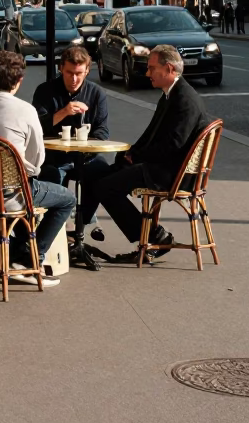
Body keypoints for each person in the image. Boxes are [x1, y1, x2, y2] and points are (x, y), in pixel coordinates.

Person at [0, 51, 73, 285]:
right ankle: (29, 258)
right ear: (18, 81)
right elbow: (37, 162)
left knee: (11, 189)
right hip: (12, 195)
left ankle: (5, 256)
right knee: (67, 199)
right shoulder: (25, 110)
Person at [90, 45, 213, 263]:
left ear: (168, 68)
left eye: (151, 68)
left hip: (173, 173)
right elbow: (151, 135)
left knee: (104, 187)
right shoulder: (172, 94)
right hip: (165, 166)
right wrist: (131, 153)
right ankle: (151, 236)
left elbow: (173, 144)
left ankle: (154, 237)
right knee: (98, 177)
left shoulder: (184, 100)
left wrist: (137, 157)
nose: (147, 73)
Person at [32, 46, 112, 240]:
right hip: (54, 157)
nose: (74, 79)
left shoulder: (96, 93)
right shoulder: (46, 91)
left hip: (85, 156)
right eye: (69, 73)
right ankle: (52, 230)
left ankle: (82, 223)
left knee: (102, 174)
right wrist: (64, 112)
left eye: (79, 74)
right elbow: (37, 127)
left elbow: (103, 131)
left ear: (86, 71)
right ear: (61, 69)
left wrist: (87, 141)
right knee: (53, 177)